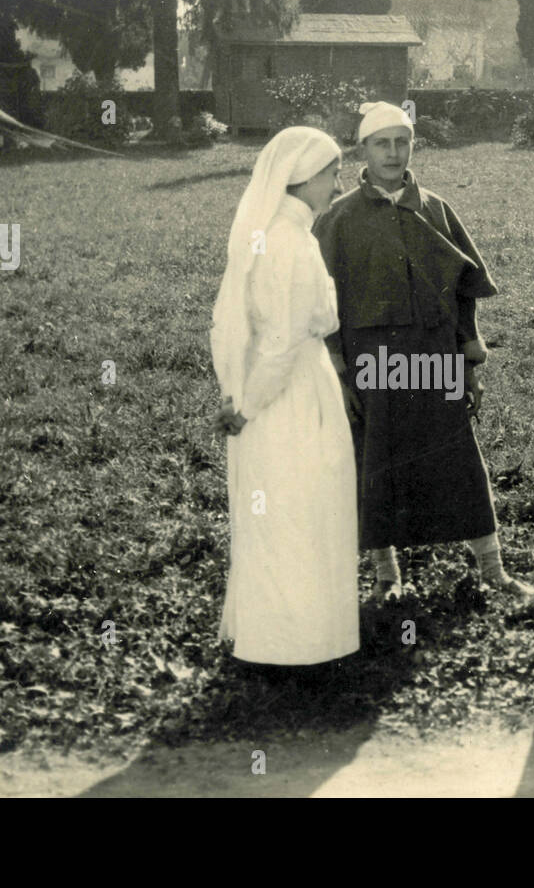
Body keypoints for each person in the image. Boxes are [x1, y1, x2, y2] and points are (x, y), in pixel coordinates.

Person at [312, 101, 534, 603]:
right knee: (378, 463)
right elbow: (319, 301)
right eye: (381, 144)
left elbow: (464, 291)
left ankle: (493, 569)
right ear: (363, 151)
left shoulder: (435, 208)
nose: (393, 154)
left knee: (458, 457)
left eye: (402, 142)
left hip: (435, 361)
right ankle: (387, 576)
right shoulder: (338, 219)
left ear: (412, 145)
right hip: (373, 363)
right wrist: (337, 367)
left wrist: (470, 359)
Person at [209, 126, 359, 666]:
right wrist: (247, 407)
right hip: (291, 397)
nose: (338, 186)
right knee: (299, 510)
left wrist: (245, 399)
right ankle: (295, 646)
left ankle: (292, 640)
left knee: (291, 509)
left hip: (285, 388)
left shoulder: (276, 235)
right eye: (331, 175)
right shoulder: (289, 244)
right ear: (301, 179)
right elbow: (284, 340)